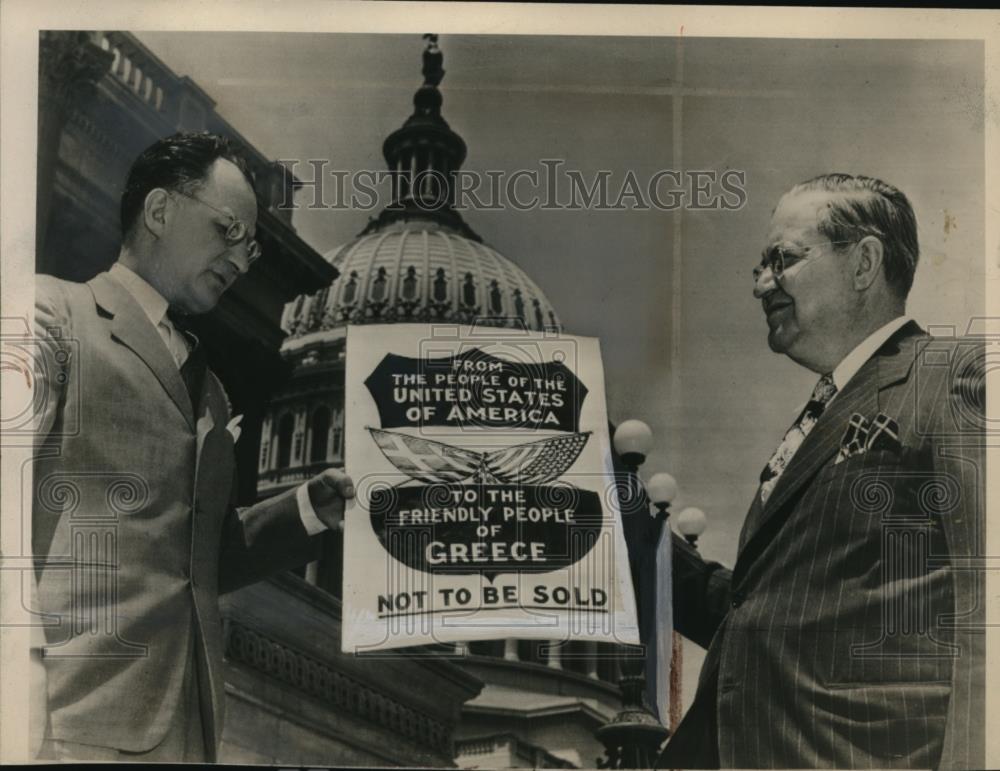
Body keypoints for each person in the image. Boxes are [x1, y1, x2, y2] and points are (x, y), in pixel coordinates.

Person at [31, 132, 354, 762]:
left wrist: (306, 511)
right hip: (64, 722)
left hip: (189, 729)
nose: (240, 258)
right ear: (158, 212)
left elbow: (190, 564)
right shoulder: (51, 314)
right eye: (227, 229)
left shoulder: (213, 392)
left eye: (252, 246)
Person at [659, 174, 985, 770]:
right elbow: (756, 616)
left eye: (782, 259)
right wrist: (621, 522)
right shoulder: (825, 411)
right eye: (760, 266)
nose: (761, 284)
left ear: (864, 263)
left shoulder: (955, 379)